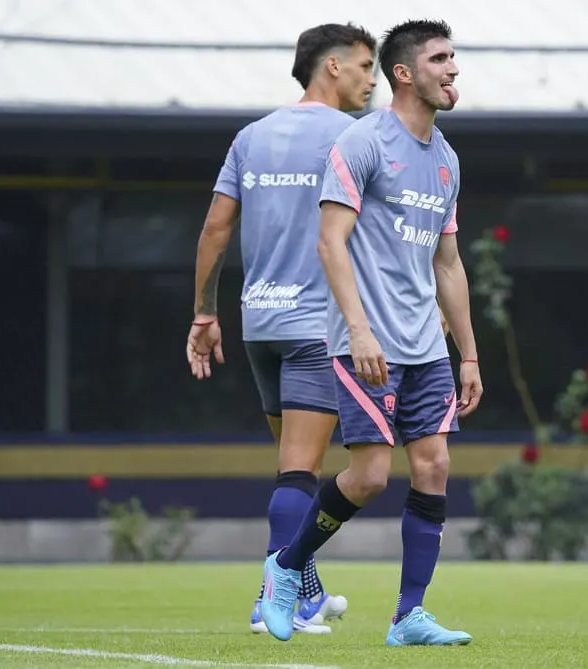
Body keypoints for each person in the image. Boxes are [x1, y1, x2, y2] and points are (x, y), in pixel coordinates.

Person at [259, 19, 482, 646]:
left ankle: (408, 615)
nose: (454, 68)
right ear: (404, 73)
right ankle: (287, 566)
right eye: (441, 58)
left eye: (454, 57)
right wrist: (356, 329)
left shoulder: (446, 160)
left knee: (434, 465)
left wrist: (469, 354)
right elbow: (331, 242)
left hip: (425, 346)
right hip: (365, 343)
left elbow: (448, 262)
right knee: (370, 477)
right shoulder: (361, 144)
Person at [186, 22, 378, 636]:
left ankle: (309, 589)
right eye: (365, 66)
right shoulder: (357, 137)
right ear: (332, 67)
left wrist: (204, 313)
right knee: (300, 472)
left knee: (298, 467)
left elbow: (216, 230)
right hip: (315, 328)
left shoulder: (252, 136)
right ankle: (277, 600)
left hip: (259, 323)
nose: (372, 80)